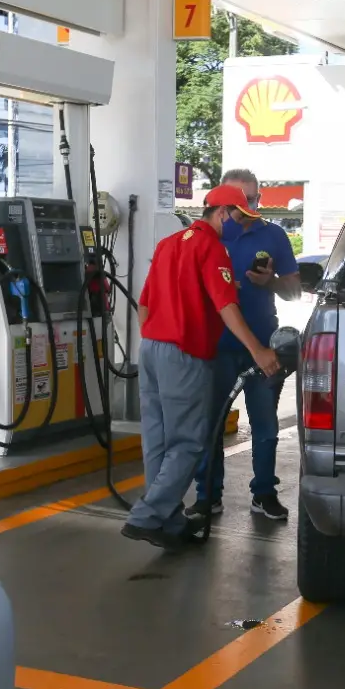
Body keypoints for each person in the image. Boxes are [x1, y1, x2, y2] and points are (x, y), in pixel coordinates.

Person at [122, 184, 281, 551]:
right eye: (239, 217)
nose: (240, 225)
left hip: (151, 350)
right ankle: (146, 517)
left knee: (158, 441)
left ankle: (169, 519)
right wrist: (257, 350)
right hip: (184, 354)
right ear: (222, 212)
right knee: (189, 441)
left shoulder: (169, 244)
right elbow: (227, 306)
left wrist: (157, 337)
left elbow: (143, 305)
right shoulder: (212, 248)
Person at [188, 169, 301, 521]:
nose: (249, 207)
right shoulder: (210, 237)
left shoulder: (275, 235)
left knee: (265, 425)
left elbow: (295, 291)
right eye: (241, 201)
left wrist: (270, 282)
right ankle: (208, 496)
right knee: (211, 423)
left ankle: (264, 493)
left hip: (264, 345)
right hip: (217, 345)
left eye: (253, 199)